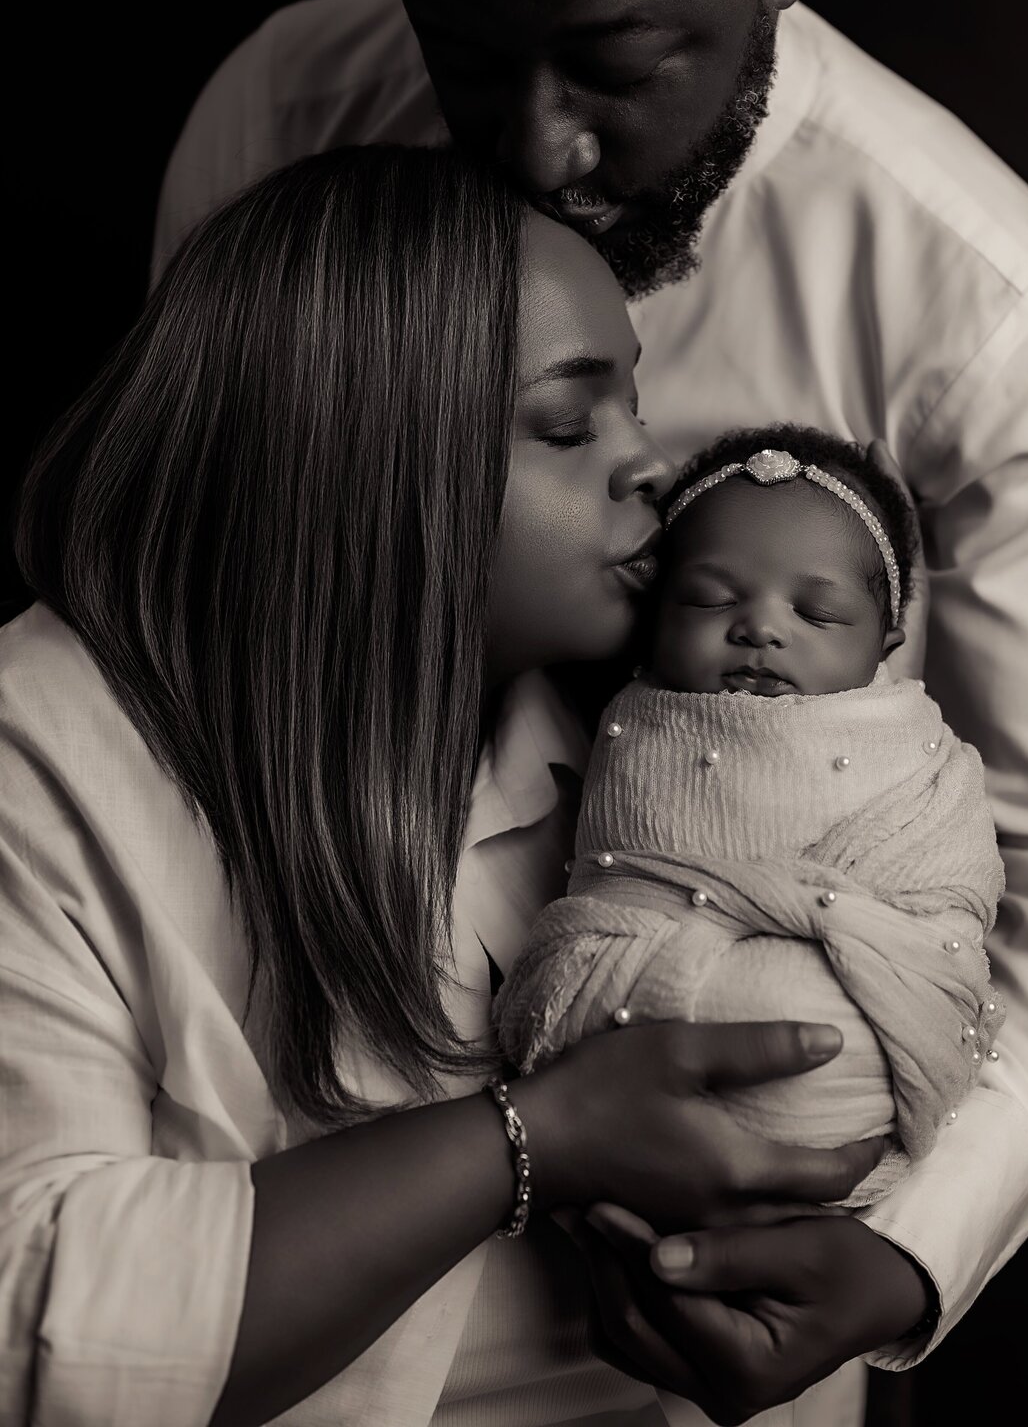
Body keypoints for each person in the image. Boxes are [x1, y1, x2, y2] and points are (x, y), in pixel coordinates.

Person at [149, 0, 1028, 1411]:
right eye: (467, 50)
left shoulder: (986, 317)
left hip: (690, 1297)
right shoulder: (278, 118)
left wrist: (907, 1246)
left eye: (615, 61)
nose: (535, 145)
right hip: (262, 1208)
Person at [0, 144, 920, 1427]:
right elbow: (36, 1317)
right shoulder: (41, 747)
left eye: (635, 408)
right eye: (566, 423)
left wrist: (897, 1255)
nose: (652, 466)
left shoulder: (680, 723)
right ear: (360, 463)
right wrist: (526, 1141)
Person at [497, 425, 1005, 1213]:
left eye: (819, 612)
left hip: (867, 1031)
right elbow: (615, 885)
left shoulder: (921, 757)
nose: (761, 628)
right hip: (624, 1057)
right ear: (654, 616)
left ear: (888, 643)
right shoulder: (632, 725)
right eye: (710, 598)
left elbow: (948, 893)